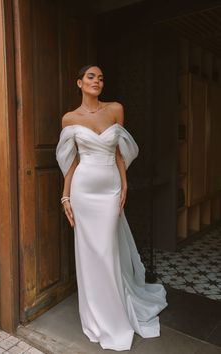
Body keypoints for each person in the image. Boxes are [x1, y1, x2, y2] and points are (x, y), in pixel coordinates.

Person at [56, 64, 168, 351]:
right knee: (88, 253)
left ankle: (116, 313)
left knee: (107, 250)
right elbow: (72, 162)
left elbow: (119, 152)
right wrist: (66, 196)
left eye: (101, 78)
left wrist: (125, 184)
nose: (97, 81)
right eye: (91, 77)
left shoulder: (115, 109)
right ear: (79, 82)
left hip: (110, 190)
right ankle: (95, 315)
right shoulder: (69, 118)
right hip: (83, 191)